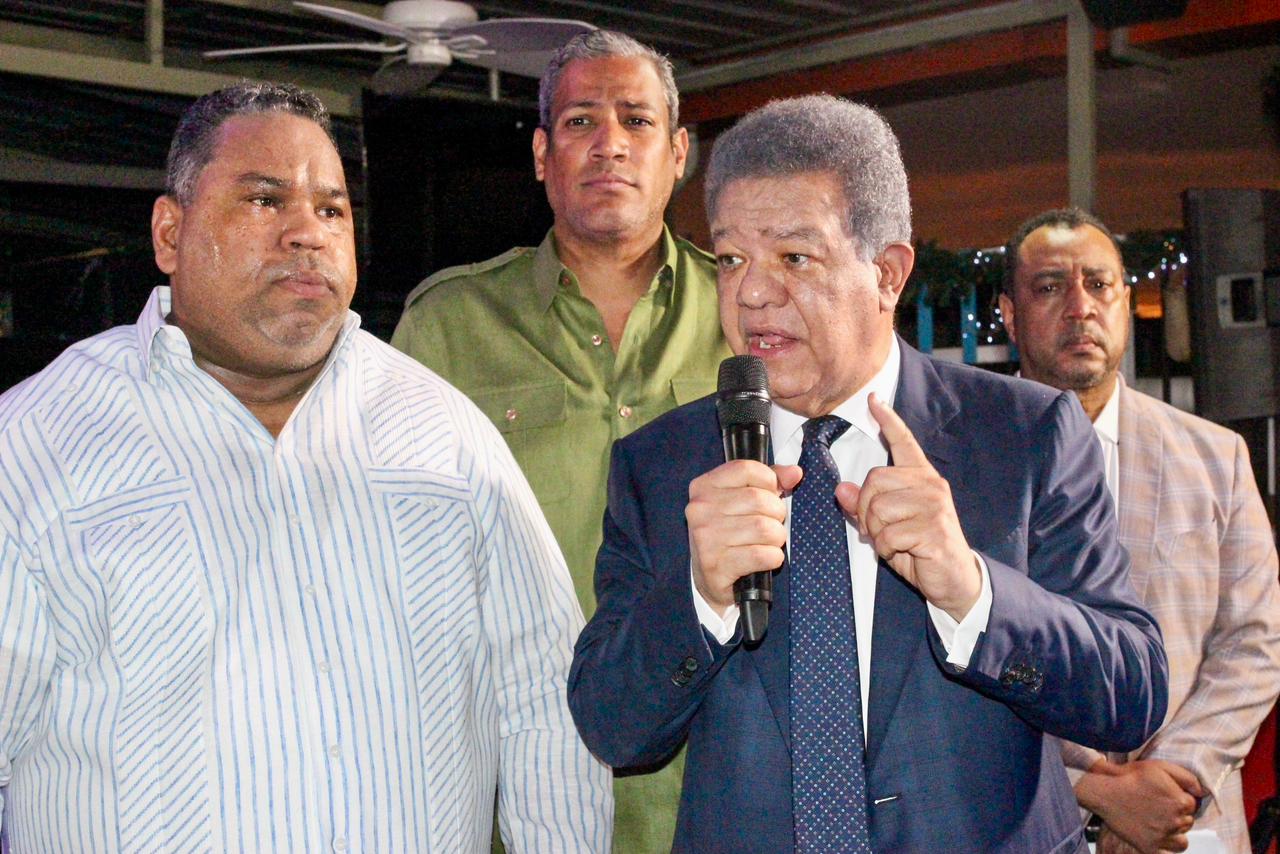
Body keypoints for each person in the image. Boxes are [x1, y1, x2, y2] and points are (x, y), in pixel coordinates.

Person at [0, 81, 610, 853]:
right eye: (265, 200)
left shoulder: (445, 436)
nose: (306, 234)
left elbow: (545, 702)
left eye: (331, 210)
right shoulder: (38, 444)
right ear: (170, 233)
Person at [568, 94, 1170, 853]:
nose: (751, 293)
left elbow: (1131, 695)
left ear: (887, 273)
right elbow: (612, 728)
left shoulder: (1026, 435)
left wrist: (973, 592)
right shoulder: (663, 465)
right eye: (731, 259)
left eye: (794, 257)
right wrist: (699, 593)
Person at [391, 30, 728, 850]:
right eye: (581, 121)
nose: (610, 143)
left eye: (636, 120)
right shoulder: (448, 327)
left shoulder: (749, 314)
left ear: (678, 154)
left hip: (715, 776)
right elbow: (391, 565)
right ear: (543, 155)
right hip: (519, 780)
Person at [999, 207, 1280, 854]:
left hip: (1187, 824)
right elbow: (949, 656)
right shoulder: (955, 463)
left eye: (1099, 285)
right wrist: (1096, 789)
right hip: (1025, 822)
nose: (1080, 308)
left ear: (1125, 304)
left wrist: (1169, 785)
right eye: (1050, 287)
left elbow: (1256, 642)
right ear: (1010, 315)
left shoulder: (1216, 458)